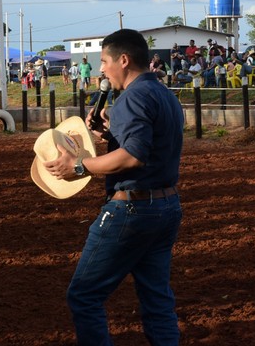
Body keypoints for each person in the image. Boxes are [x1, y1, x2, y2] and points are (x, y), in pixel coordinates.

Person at [42, 28, 184, 344]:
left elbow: (133, 156)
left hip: (133, 209)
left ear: (123, 60)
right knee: (157, 299)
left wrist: (79, 166)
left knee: (84, 295)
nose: (102, 69)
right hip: (167, 207)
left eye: (105, 61)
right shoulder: (164, 95)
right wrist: (112, 132)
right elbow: (151, 145)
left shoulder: (132, 97)